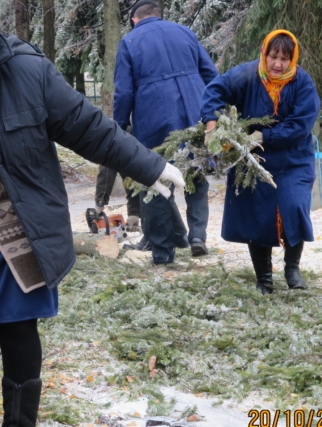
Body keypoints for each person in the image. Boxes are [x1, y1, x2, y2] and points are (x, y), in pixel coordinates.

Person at [0, 0, 183, 425]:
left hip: (19, 234)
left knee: (19, 330)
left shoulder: (26, 72)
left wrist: (151, 167)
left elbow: (89, 128)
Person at [200, 30, 320, 294]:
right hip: (253, 159)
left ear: (293, 60)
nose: (277, 64)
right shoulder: (247, 75)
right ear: (264, 54)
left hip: (293, 158)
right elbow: (215, 89)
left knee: (294, 206)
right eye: (273, 57)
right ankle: (264, 278)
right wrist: (211, 121)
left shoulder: (302, 83)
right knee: (257, 214)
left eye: (284, 59)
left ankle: (292, 269)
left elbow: (300, 126)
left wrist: (264, 135)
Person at [113, 0, 219, 262]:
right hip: (194, 112)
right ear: (158, 16)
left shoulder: (129, 42)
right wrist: (212, 114)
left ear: (135, 20)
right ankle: (196, 236)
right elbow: (212, 75)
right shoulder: (185, 32)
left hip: (155, 117)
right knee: (196, 174)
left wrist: (119, 125)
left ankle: (163, 251)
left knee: (155, 178)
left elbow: (124, 92)